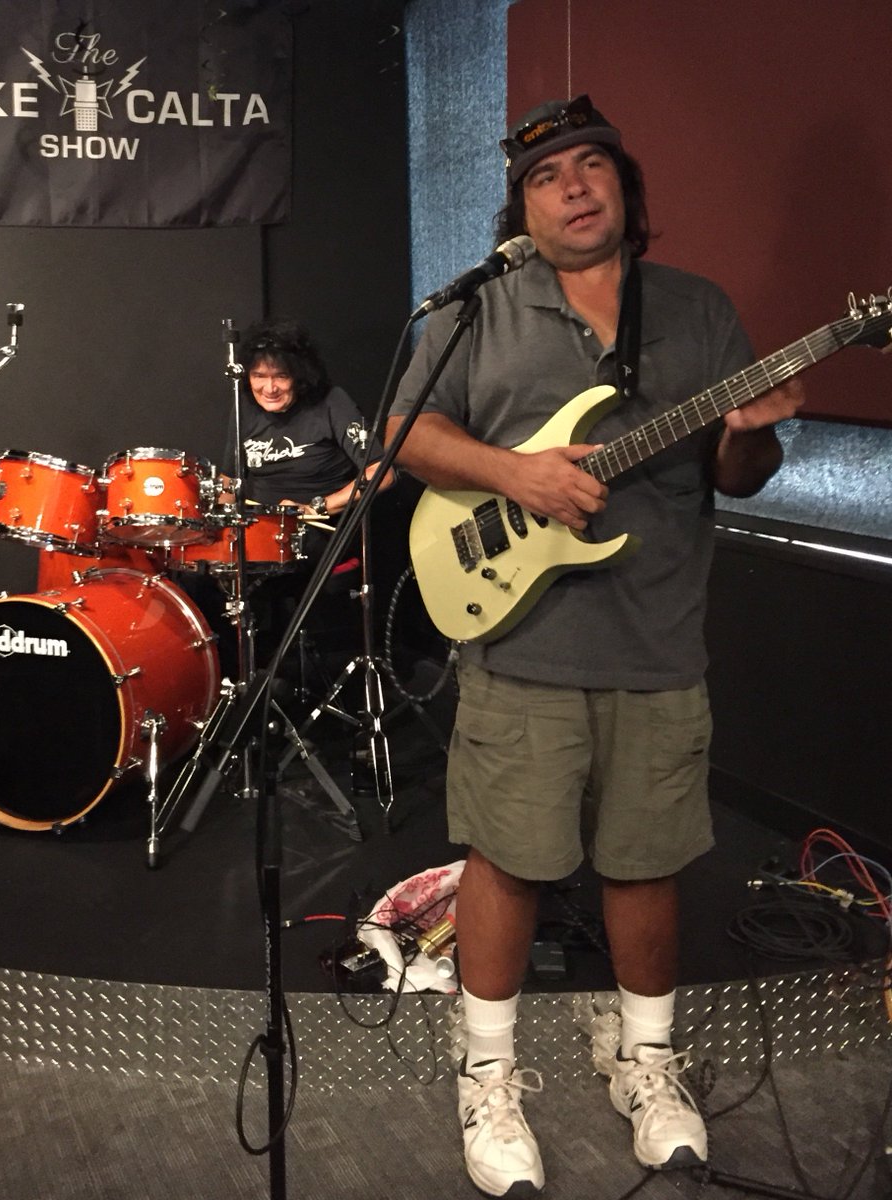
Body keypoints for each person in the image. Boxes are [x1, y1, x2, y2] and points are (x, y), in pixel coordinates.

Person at [385, 95, 803, 1196]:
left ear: (625, 186)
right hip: (521, 637)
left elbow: (739, 476)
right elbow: (405, 435)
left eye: (591, 166)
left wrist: (749, 441)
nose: (573, 186)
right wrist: (515, 474)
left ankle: (647, 1062)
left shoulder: (700, 310)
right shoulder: (480, 312)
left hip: (659, 638)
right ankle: (488, 1073)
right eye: (546, 175)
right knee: (507, 860)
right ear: (521, 209)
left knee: (647, 859)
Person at [219, 318, 394, 668]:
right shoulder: (245, 409)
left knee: (257, 576)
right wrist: (217, 522)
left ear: (298, 375)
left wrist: (318, 506)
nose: (269, 387)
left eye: (280, 376)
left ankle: (278, 669)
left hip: (319, 528)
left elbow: (382, 473)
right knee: (204, 570)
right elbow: (229, 481)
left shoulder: (331, 402)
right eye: (259, 376)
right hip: (260, 528)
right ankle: (235, 675)